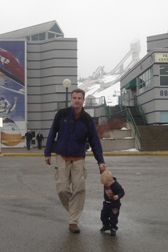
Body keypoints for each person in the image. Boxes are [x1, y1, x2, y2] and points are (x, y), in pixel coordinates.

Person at [44, 88, 106, 234]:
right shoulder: (62, 114)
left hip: (78, 158)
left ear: (83, 100)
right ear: (71, 99)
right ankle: (74, 210)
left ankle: (73, 221)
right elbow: (52, 132)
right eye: (74, 98)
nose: (77, 100)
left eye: (79, 98)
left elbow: (95, 142)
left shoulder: (87, 120)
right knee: (62, 188)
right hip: (61, 157)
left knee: (79, 189)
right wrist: (47, 153)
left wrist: (100, 161)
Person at [99, 170, 125, 236]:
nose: (105, 185)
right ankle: (106, 225)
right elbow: (103, 174)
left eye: (106, 184)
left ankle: (113, 228)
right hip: (107, 203)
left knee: (113, 217)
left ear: (111, 180)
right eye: (104, 184)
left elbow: (122, 192)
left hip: (114, 204)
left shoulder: (116, 185)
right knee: (103, 215)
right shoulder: (106, 182)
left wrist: (118, 196)